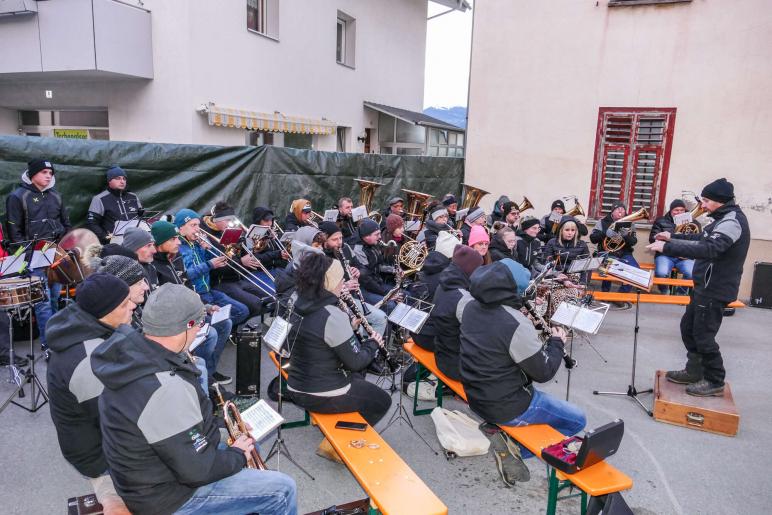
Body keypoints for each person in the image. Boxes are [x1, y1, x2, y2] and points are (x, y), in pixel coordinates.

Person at [92, 283, 297, 515]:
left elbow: (181, 432)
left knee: (250, 444)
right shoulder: (163, 388)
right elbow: (197, 471)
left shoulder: (135, 354)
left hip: (153, 471)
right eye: (199, 324)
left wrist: (229, 436)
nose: (200, 330)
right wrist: (237, 455)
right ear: (187, 325)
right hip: (168, 497)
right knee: (282, 489)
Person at [458, 259, 586, 482]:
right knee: (577, 420)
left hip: (476, 395)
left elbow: (493, 337)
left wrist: (519, 321)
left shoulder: (468, 306)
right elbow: (543, 372)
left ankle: (505, 435)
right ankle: (516, 450)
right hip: (508, 405)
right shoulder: (515, 324)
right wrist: (556, 342)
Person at [647, 178, 750, 397]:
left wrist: (668, 246)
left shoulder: (732, 222)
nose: (702, 204)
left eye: (705, 200)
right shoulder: (720, 219)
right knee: (689, 328)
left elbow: (711, 248)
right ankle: (694, 371)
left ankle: (714, 380)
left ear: (719, 201)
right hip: (704, 285)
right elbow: (700, 237)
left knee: (704, 336)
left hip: (716, 288)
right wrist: (671, 236)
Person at [46, 273, 136, 513]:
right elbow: (119, 423)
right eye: (125, 304)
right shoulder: (87, 362)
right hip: (99, 456)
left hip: (101, 434)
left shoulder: (87, 323)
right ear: (104, 312)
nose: (134, 305)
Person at [286, 253, 391, 427]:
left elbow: (318, 339)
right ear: (330, 283)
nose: (343, 283)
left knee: (358, 380)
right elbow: (356, 362)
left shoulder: (296, 301)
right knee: (382, 401)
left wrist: (350, 328)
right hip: (320, 393)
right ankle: (345, 441)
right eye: (341, 279)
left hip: (295, 384)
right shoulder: (332, 315)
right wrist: (373, 343)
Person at [151, 219, 234, 389]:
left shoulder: (173, 258)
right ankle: (201, 378)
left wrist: (205, 307)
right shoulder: (155, 267)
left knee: (225, 322)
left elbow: (186, 288)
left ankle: (209, 374)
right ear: (160, 243)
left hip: (194, 305)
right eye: (173, 239)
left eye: (177, 238)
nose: (178, 242)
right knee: (210, 334)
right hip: (175, 321)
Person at [5, 158, 71, 350]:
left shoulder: (56, 196)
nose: (49, 175)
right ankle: (48, 344)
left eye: (51, 173)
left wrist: (62, 248)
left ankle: (55, 339)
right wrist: (25, 259)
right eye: (44, 172)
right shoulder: (17, 197)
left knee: (54, 299)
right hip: (32, 258)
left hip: (55, 256)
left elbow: (67, 225)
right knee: (42, 303)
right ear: (33, 174)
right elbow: (14, 233)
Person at [175, 209, 249, 326]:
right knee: (224, 323)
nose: (197, 229)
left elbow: (219, 260)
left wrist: (209, 248)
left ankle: (221, 330)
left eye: (198, 225)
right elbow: (185, 275)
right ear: (180, 228)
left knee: (242, 311)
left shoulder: (197, 243)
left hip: (208, 290)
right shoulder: (177, 249)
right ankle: (215, 330)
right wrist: (210, 264)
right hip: (194, 295)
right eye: (193, 225)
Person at [204, 201, 272, 317]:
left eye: (231, 219)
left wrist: (252, 241)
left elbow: (242, 254)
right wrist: (241, 262)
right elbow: (218, 267)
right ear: (216, 219)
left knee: (269, 299)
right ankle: (243, 330)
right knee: (255, 304)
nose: (230, 223)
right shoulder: (208, 236)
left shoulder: (228, 231)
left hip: (237, 278)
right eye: (227, 220)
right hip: (222, 282)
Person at [321, 221, 388, 337]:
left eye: (341, 238)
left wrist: (358, 272)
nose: (340, 242)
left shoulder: (345, 248)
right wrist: (343, 287)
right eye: (335, 239)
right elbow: (321, 289)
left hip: (352, 299)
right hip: (334, 305)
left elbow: (361, 267)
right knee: (360, 329)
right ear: (324, 241)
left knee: (382, 318)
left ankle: (373, 351)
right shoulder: (320, 257)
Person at [431, 245, 482, 379]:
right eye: (478, 268)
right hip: (458, 365)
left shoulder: (444, 284)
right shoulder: (462, 298)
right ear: (470, 269)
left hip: (442, 354)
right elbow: (481, 334)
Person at [590, 202, 640, 293]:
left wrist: (626, 236)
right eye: (618, 209)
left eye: (623, 209)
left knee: (635, 269)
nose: (620, 211)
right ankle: (605, 293)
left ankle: (621, 294)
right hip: (607, 253)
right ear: (612, 212)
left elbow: (633, 242)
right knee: (607, 267)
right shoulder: (602, 221)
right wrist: (605, 233)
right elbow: (593, 238)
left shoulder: (630, 223)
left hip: (625, 253)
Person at [86, 166, 143, 244]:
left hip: (135, 241)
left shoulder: (133, 197)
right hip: (114, 244)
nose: (122, 181)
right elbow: (91, 223)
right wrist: (106, 237)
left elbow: (141, 218)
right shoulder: (99, 199)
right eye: (118, 178)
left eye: (124, 179)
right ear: (109, 181)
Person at [649, 199, 695, 294]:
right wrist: (670, 236)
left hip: (684, 256)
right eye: (676, 210)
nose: (679, 212)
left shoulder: (693, 222)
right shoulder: (661, 221)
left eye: (682, 210)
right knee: (661, 273)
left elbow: (697, 240)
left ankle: (681, 292)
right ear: (671, 211)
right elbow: (652, 239)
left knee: (691, 273)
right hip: (665, 255)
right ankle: (665, 290)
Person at [353, 219, 398, 309]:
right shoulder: (358, 250)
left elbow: (378, 266)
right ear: (366, 236)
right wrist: (386, 294)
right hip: (365, 289)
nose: (380, 237)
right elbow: (366, 280)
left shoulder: (373, 244)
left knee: (403, 294)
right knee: (391, 304)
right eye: (376, 234)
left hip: (377, 283)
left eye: (379, 233)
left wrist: (393, 270)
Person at [544, 217, 590, 281]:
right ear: (561, 230)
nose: (570, 233)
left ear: (576, 232)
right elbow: (547, 265)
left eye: (573, 230)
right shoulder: (552, 242)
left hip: (575, 278)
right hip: (555, 277)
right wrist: (557, 275)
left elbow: (586, 267)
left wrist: (583, 284)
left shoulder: (582, 245)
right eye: (567, 230)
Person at [251, 206, 290, 277]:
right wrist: (278, 254)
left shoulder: (271, 232)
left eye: (271, 220)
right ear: (258, 221)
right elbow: (255, 258)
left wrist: (278, 241)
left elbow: (280, 253)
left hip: (277, 269)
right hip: (261, 272)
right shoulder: (252, 235)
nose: (270, 223)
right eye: (266, 220)